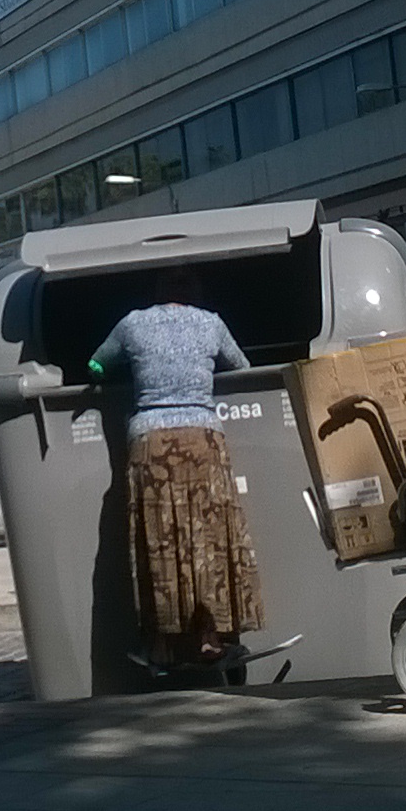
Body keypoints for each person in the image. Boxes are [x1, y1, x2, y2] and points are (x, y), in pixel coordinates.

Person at [88, 268, 264, 666]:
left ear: (158, 292)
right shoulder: (211, 323)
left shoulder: (132, 323)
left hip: (150, 442)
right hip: (202, 439)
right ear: (194, 291)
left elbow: (96, 365)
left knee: (158, 540)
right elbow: (241, 366)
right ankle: (210, 637)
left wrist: (111, 374)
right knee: (210, 540)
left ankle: (160, 646)